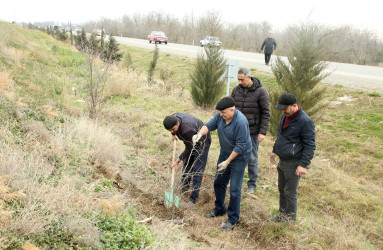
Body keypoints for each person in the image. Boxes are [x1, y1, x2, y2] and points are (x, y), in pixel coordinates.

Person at [193, 97, 252, 231]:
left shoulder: (241, 122)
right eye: (220, 112)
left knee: (235, 189)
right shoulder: (221, 116)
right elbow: (209, 125)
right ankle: (219, 209)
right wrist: (199, 134)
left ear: (232, 109)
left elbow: (241, 145)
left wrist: (228, 161)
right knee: (218, 182)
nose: (221, 114)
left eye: (223, 112)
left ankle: (233, 219)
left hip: (239, 157)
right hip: (225, 154)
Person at [269, 93, 316, 222]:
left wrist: (303, 164)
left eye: (285, 108)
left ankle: (290, 220)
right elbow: (281, 136)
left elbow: (310, 145)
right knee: (282, 189)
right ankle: (282, 215)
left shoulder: (305, 121)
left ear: (294, 106)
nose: (283, 111)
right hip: (283, 160)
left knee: (290, 192)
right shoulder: (285, 116)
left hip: (294, 162)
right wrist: (275, 151)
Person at [231, 68, 270, 194]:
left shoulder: (261, 91)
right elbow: (230, 108)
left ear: (249, 77)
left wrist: (262, 132)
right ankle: (234, 180)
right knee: (234, 154)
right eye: (238, 79)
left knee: (252, 158)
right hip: (236, 129)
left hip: (252, 131)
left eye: (242, 79)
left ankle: (252, 184)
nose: (240, 82)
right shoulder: (236, 90)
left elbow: (266, 113)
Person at [163, 113, 211, 204]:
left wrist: (178, 159)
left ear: (178, 123)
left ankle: (193, 199)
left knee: (197, 170)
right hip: (191, 140)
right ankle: (185, 188)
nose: (171, 131)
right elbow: (173, 128)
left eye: (173, 129)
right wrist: (173, 133)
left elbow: (189, 148)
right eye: (169, 130)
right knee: (187, 164)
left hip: (202, 143)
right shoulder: (173, 118)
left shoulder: (186, 130)